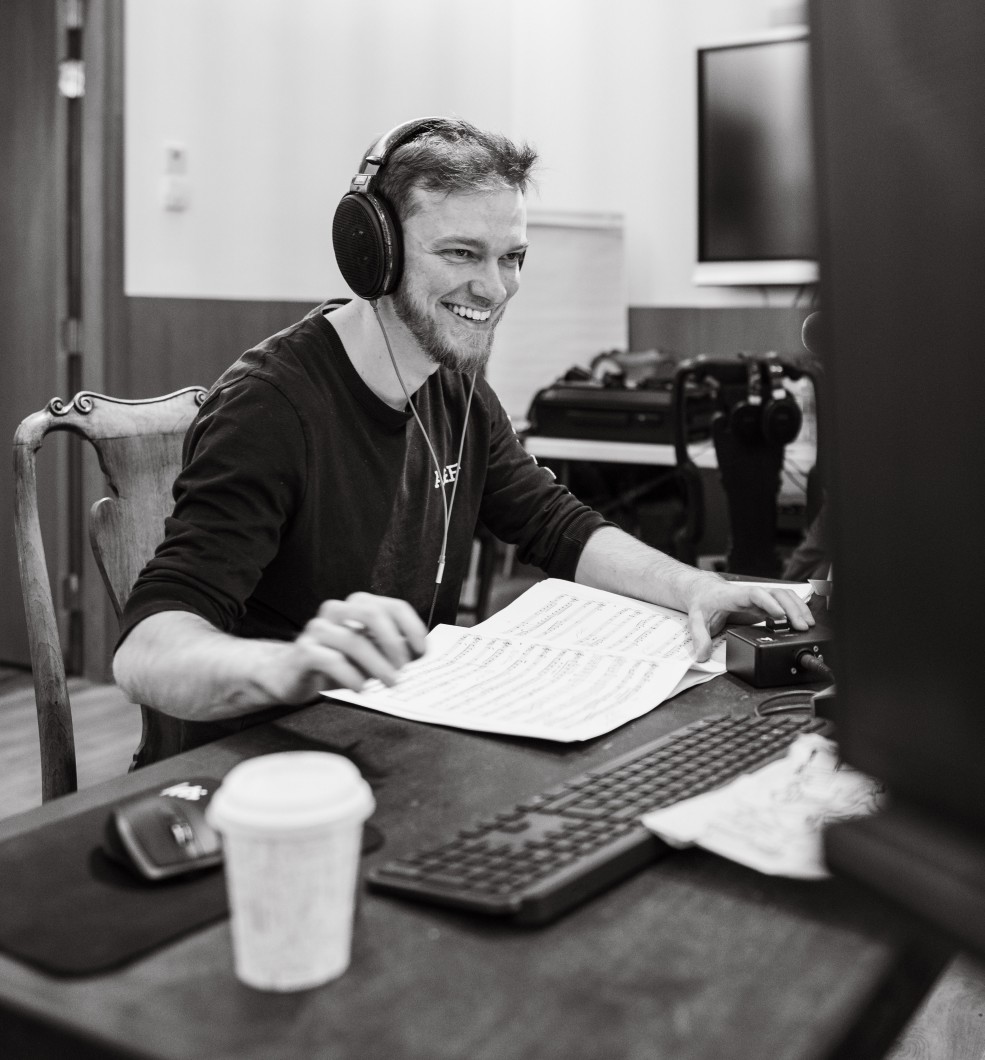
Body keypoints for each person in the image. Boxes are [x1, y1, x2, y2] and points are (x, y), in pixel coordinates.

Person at [113, 118, 813, 759]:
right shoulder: (271, 408)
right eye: (461, 253)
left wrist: (695, 587)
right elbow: (146, 651)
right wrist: (291, 665)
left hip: (391, 742)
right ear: (374, 253)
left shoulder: (454, 385)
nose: (495, 288)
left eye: (512, 257)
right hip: (264, 768)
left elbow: (554, 524)